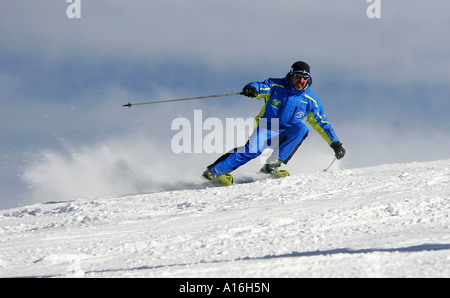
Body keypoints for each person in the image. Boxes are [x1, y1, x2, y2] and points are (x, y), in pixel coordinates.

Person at [202, 61, 345, 181]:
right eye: (298, 76)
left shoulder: (311, 100)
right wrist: (252, 88)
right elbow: (262, 86)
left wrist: (335, 143)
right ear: (291, 74)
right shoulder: (277, 85)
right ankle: (213, 172)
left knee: (302, 128)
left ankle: (272, 164)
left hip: (287, 133)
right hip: (267, 127)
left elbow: (322, 124)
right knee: (251, 151)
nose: (301, 80)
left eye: (305, 77)